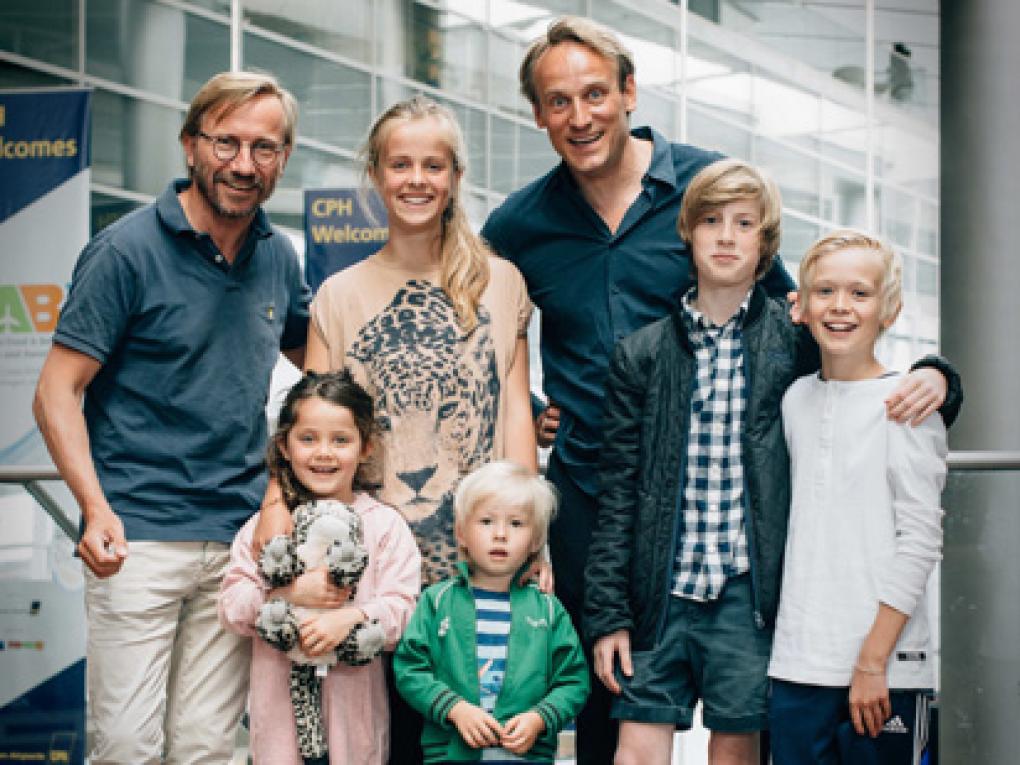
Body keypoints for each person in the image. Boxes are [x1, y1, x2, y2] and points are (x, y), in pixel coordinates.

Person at [479, 16, 958, 763]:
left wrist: (935, 377)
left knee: (739, 726)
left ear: (629, 92)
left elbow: (820, 319)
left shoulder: (710, 189)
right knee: (609, 711)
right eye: (558, 101)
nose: (580, 116)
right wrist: (534, 411)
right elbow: (477, 332)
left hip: (733, 533)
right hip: (596, 507)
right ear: (538, 114)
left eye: (595, 93)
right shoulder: (519, 223)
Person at [584, 160, 959, 765]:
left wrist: (938, 375)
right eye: (711, 221)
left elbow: (863, 364)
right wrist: (608, 615)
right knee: (635, 753)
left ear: (766, 244)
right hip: (659, 588)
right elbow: (618, 493)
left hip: (749, 594)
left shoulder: (795, 339)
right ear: (688, 233)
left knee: (736, 752)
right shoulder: (642, 353)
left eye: (744, 224)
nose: (726, 237)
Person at [31, 71, 310, 763]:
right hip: (138, 535)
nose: (243, 164)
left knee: (206, 746)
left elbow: (324, 368)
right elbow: (56, 392)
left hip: (236, 538)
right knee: (127, 745)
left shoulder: (278, 256)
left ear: (282, 159)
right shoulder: (124, 251)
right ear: (190, 145)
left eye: (264, 148)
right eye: (226, 142)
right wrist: (94, 508)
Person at [254, 95, 539, 763]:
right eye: (400, 164)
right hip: (373, 571)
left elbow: (514, 414)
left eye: (433, 165)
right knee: (385, 745)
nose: (417, 179)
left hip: (478, 565)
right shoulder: (340, 293)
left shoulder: (500, 283)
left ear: (455, 177)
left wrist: (535, 540)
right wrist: (276, 506)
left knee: (474, 744)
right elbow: (311, 426)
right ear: (376, 174)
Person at [767, 231, 947, 765]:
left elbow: (920, 541)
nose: (840, 306)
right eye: (825, 291)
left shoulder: (910, 404)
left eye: (860, 293)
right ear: (801, 307)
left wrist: (872, 660)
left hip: (886, 670)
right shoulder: (794, 399)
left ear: (889, 310)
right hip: (798, 666)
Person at [219, 370, 420, 764]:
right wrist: (284, 595)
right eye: (308, 439)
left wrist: (352, 618)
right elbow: (231, 605)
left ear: (365, 447)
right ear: (284, 446)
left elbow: (405, 609)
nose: (323, 452)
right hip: (278, 730)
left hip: (356, 727)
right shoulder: (267, 528)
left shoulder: (385, 526)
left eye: (340, 440)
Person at [393, 460, 589, 764]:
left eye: (516, 524)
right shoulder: (436, 601)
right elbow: (409, 669)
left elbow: (574, 681)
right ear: (461, 534)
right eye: (486, 521)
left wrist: (539, 718)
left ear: (536, 540)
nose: (500, 534)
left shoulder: (549, 610)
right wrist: (455, 709)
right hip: (451, 755)